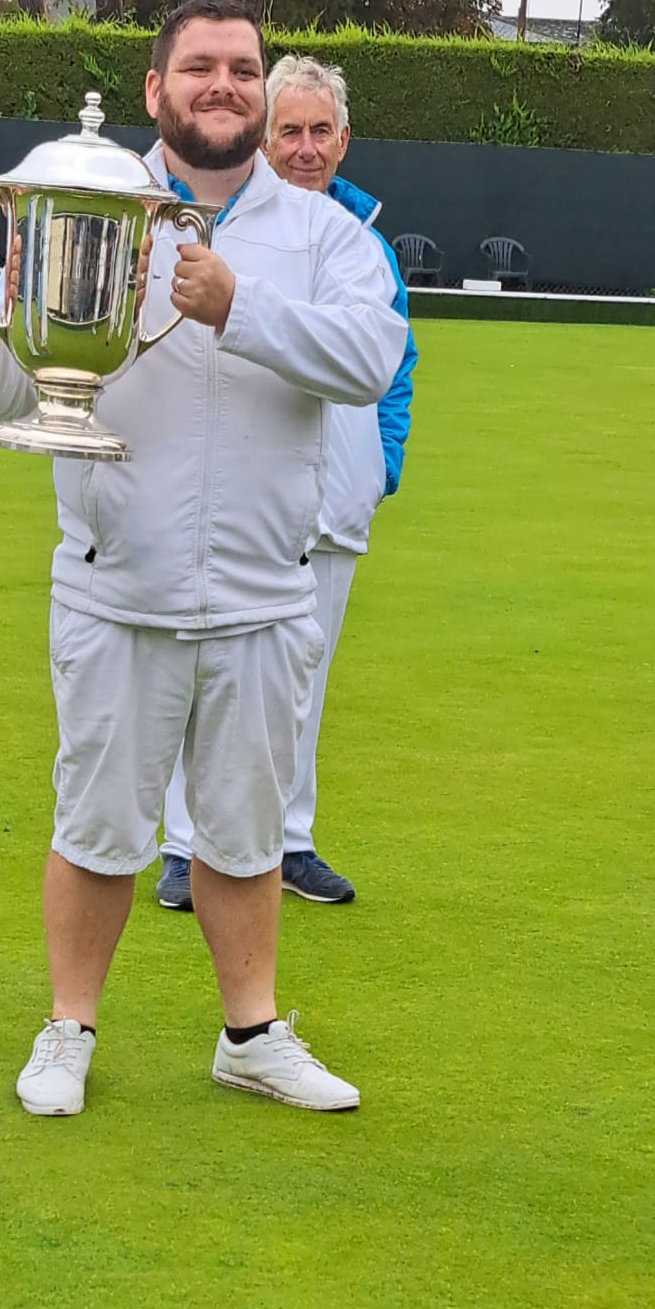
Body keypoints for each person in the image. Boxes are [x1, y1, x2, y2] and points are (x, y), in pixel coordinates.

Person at [0, 0, 408, 1118]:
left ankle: (251, 1035)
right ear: (156, 89)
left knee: (245, 835)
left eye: (242, 67)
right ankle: (68, 1030)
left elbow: (370, 359)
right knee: (97, 828)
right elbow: (10, 393)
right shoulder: (85, 199)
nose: (223, 85)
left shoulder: (324, 234)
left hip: (263, 590)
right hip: (116, 582)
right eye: (199, 67)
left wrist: (242, 308)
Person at [158, 53, 417, 909]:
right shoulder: (223, 227)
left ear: (344, 140)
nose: (306, 148)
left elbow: (395, 363)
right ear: (264, 139)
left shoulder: (365, 242)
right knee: (202, 667)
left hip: (336, 502)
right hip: (239, 491)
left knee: (302, 677)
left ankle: (289, 840)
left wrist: (381, 461)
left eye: (320, 131)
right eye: (290, 131)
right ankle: (182, 846)